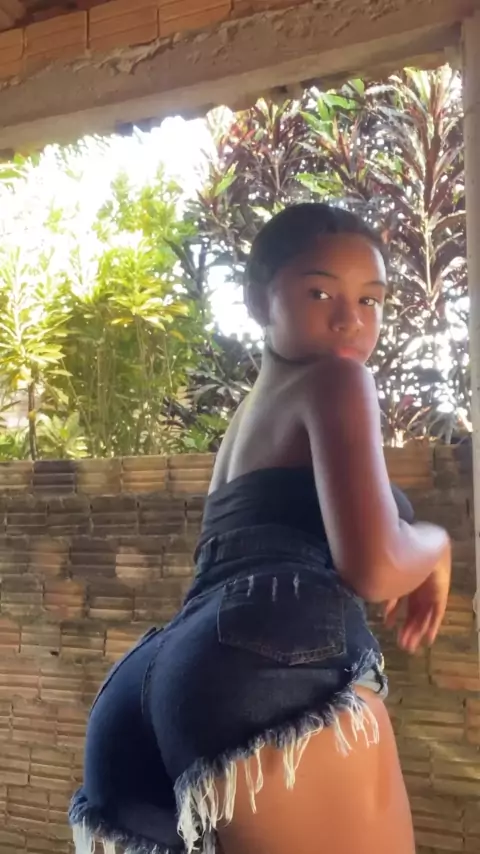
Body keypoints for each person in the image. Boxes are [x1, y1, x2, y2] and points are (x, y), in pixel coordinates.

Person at [70, 203, 451, 854]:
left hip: (151, 680)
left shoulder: (246, 422)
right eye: (320, 293)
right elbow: (375, 565)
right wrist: (436, 547)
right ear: (256, 301)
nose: (349, 320)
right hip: (269, 669)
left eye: (370, 300)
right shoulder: (339, 380)